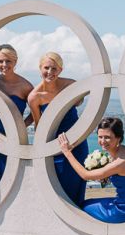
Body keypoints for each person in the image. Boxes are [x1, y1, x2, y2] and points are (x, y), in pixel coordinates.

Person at [27, 52, 89, 206]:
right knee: (59, 185)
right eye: (46, 68)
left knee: (77, 181)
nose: (50, 72)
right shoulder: (34, 97)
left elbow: (79, 101)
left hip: (77, 141)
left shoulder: (70, 85)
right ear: (40, 68)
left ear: (60, 70)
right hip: (54, 147)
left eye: (54, 68)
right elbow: (39, 126)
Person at [58, 118, 125, 223]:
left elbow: (85, 175)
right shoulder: (124, 150)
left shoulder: (121, 161)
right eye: (100, 137)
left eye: (107, 137)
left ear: (118, 138)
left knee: (83, 206)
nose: (103, 141)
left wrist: (67, 152)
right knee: (89, 203)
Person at [0, 44, 33, 197]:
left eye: (8, 61)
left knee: (13, 177)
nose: (4, 65)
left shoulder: (26, 86)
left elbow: (36, 112)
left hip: (15, 137)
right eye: (0, 61)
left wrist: (22, 126)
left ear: (15, 62)